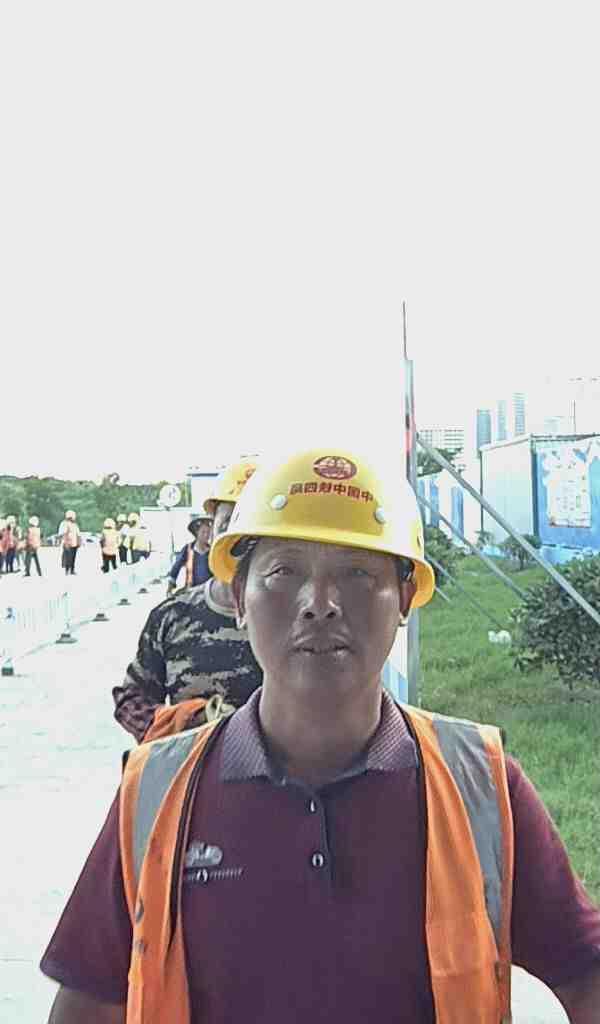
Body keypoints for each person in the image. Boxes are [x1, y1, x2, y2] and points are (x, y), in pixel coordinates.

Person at [41, 447, 600, 1023]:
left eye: (358, 574)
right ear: (239, 597)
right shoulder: (156, 793)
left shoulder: (478, 782)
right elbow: (88, 1002)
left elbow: (585, 971)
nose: (320, 605)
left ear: (405, 598)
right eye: (284, 572)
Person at [111, 457, 260, 744]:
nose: (239, 539)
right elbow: (131, 699)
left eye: (254, 526)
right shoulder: (173, 616)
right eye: (229, 523)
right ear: (211, 532)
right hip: (192, 767)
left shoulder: (303, 620)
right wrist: (187, 722)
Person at [166, 512, 213, 596]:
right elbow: (176, 568)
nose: (206, 535)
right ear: (196, 533)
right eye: (203, 532)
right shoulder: (187, 549)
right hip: (191, 591)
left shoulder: (212, 551)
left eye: (208, 532)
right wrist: (169, 589)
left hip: (209, 592)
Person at [59, 511, 81, 575]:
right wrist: (65, 542)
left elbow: (78, 534)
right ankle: (67, 570)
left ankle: (72, 570)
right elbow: (63, 534)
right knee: (68, 558)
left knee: (73, 557)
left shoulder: (75, 525)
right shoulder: (64, 524)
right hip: (68, 543)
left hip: (74, 543)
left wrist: (79, 542)